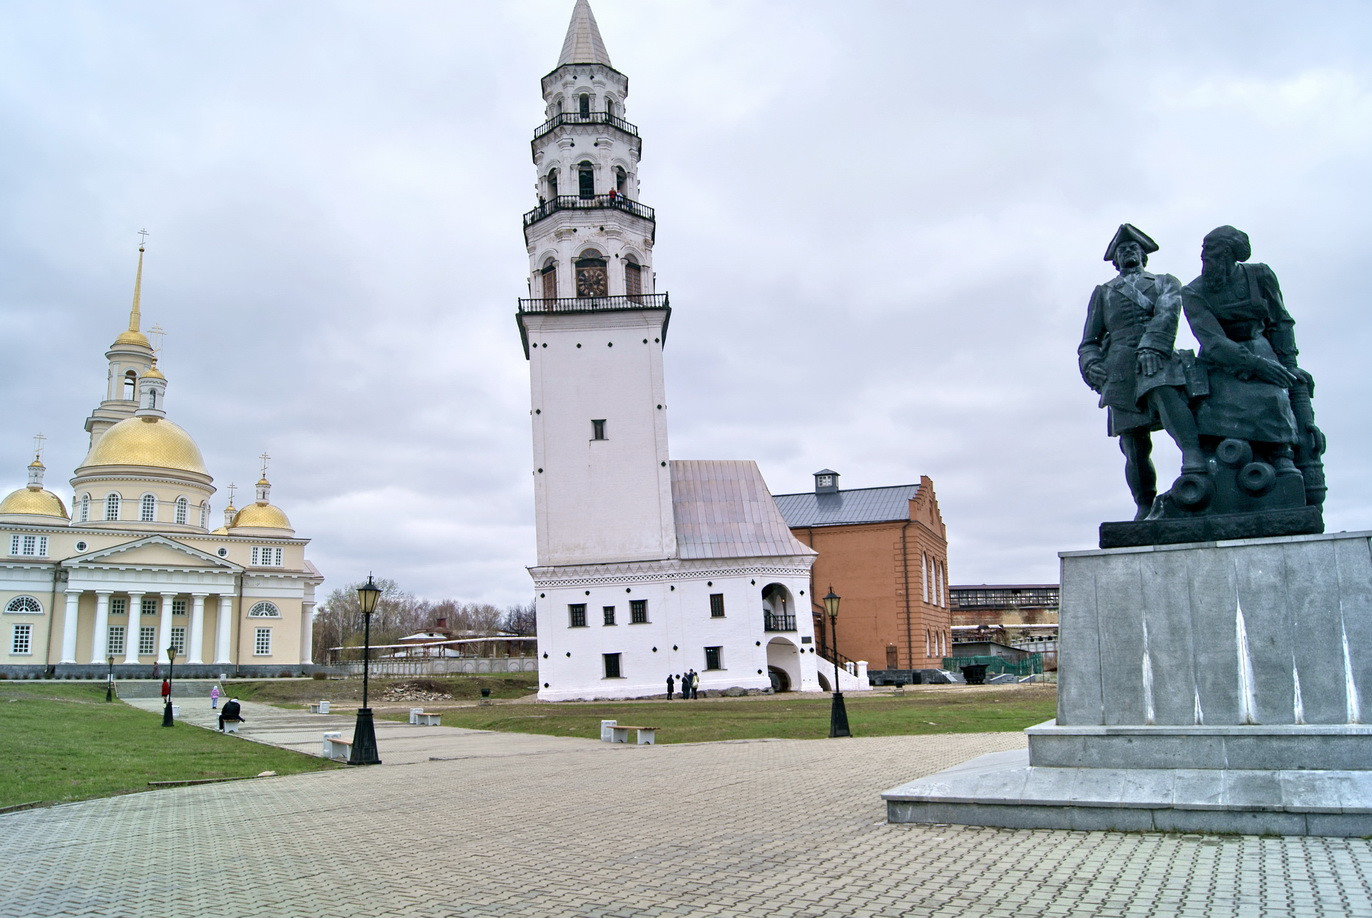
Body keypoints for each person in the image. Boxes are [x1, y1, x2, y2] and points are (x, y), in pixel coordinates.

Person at [1180, 225, 1323, 505]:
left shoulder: (1260, 275)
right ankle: (1228, 462)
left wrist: (1289, 364)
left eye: (1215, 254)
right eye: (1205, 253)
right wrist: (1255, 365)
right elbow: (1213, 341)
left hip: (1261, 348)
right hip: (1221, 361)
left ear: (1232, 255)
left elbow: (1280, 321)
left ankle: (1283, 457)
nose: (1207, 260)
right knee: (1214, 402)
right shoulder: (1193, 292)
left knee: (1277, 393)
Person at [1079, 224, 1205, 519]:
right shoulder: (1104, 292)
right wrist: (1091, 364)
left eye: (1133, 249)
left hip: (1157, 357)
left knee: (1168, 401)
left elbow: (1167, 315)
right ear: (1116, 260)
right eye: (1122, 251)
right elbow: (1089, 341)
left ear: (1143, 255)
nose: (1128, 253)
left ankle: (1195, 466)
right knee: (1133, 446)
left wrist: (1152, 347)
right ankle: (1144, 504)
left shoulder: (1165, 282)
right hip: (1120, 369)